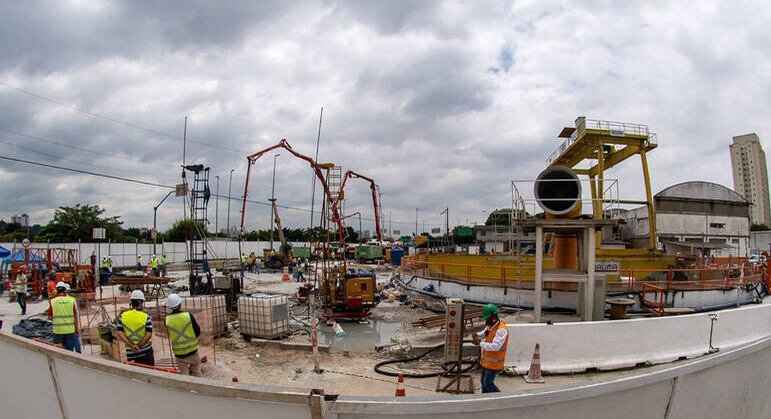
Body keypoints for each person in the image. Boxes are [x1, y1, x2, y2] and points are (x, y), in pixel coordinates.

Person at [472, 304, 509, 393]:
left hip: (494, 363)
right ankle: (486, 399)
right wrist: (477, 335)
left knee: (488, 383)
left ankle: (502, 399)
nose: (486, 320)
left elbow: (496, 346)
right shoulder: (491, 326)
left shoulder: (501, 330)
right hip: (487, 362)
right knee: (483, 382)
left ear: (493, 317)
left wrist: (480, 343)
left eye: (487, 318)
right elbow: (484, 333)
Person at [165, 293, 202, 377]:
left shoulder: (167, 320)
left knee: (184, 376)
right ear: (180, 304)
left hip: (179, 354)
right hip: (193, 352)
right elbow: (197, 331)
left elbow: (170, 334)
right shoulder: (188, 316)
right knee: (197, 373)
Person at [116, 290, 154, 366]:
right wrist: (138, 346)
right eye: (143, 302)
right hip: (145, 352)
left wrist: (131, 346)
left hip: (131, 353)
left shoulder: (122, 316)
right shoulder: (146, 317)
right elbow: (149, 334)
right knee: (149, 374)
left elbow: (120, 333)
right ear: (140, 303)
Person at [50, 281, 81, 353]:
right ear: (65, 290)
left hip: (58, 331)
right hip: (70, 330)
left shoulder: (53, 301)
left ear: (57, 290)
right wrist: (76, 328)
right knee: (69, 352)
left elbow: (50, 317)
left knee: (58, 351)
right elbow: (75, 316)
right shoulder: (71, 300)